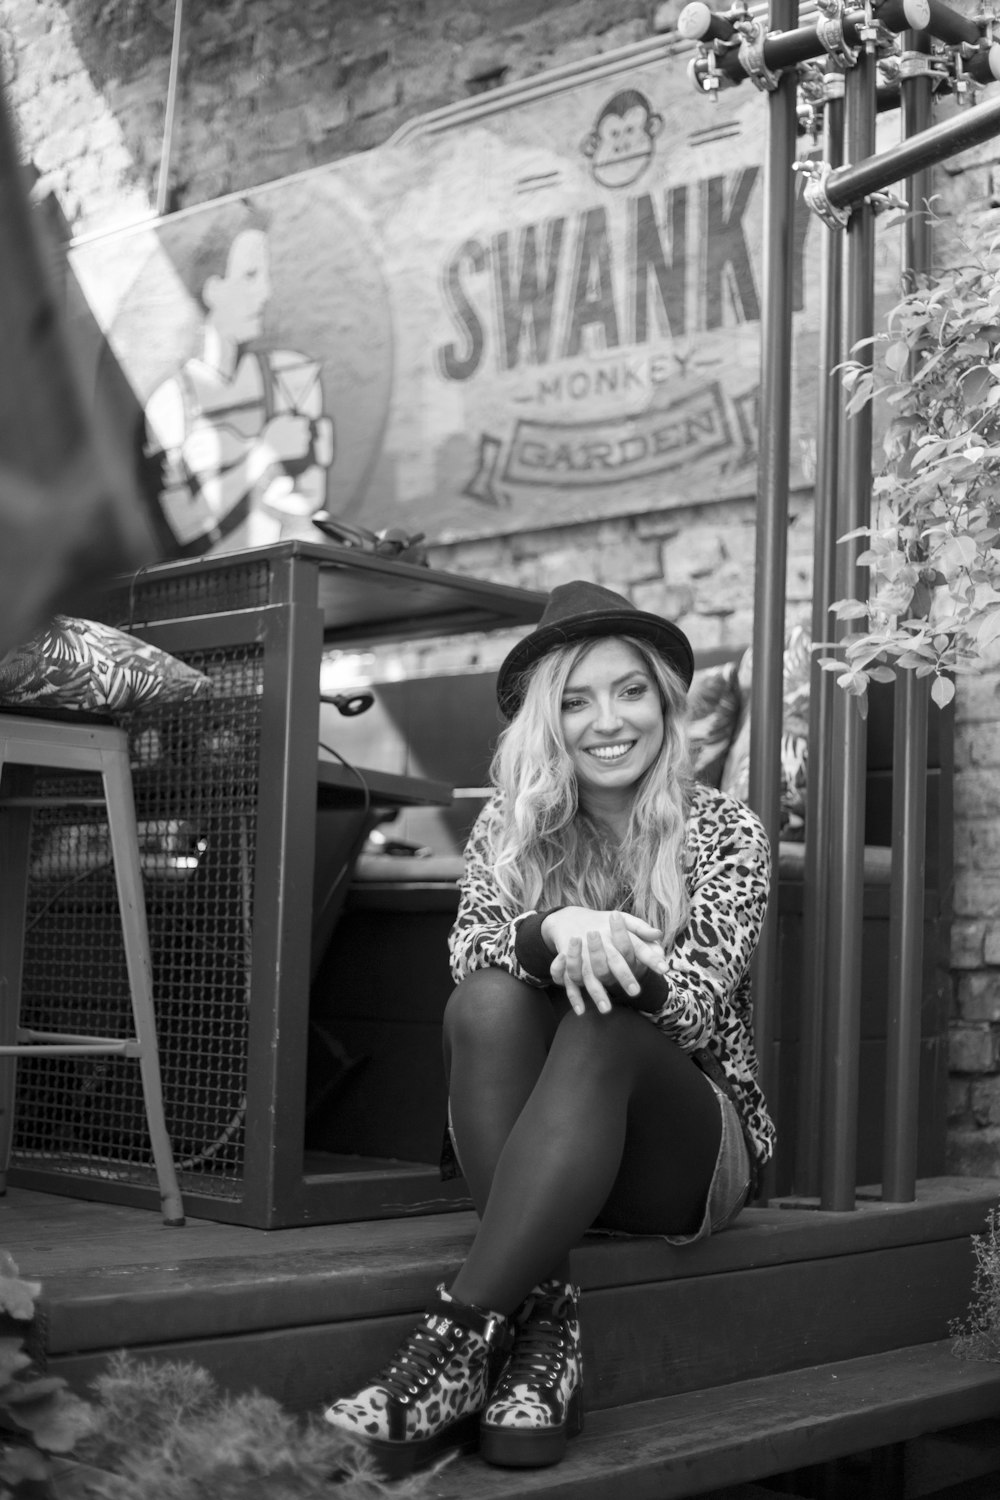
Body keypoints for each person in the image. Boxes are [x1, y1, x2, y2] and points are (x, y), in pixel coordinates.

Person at [322, 579, 774, 1479]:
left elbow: (690, 1008)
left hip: (683, 1151)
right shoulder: (509, 828)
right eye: (575, 700)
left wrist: (610, 954)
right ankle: (546, 1334)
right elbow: (471, 960)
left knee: (605, 1025)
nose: (609, 720)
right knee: (485, 1000)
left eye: (630, 690)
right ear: (547, 722)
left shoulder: (726, 832)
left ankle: (450, 1345)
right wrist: (553, 928)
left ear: (663, 704)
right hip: (545, 1148)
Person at [145, 207, 335, 556]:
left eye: (265, 275)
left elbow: (311, 503)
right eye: (250, 275)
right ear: (212, 290)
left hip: (288, 583)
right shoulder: (171, 403)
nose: (265, 292)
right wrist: (263, 454)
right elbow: (182, 526)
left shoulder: (291, 378)